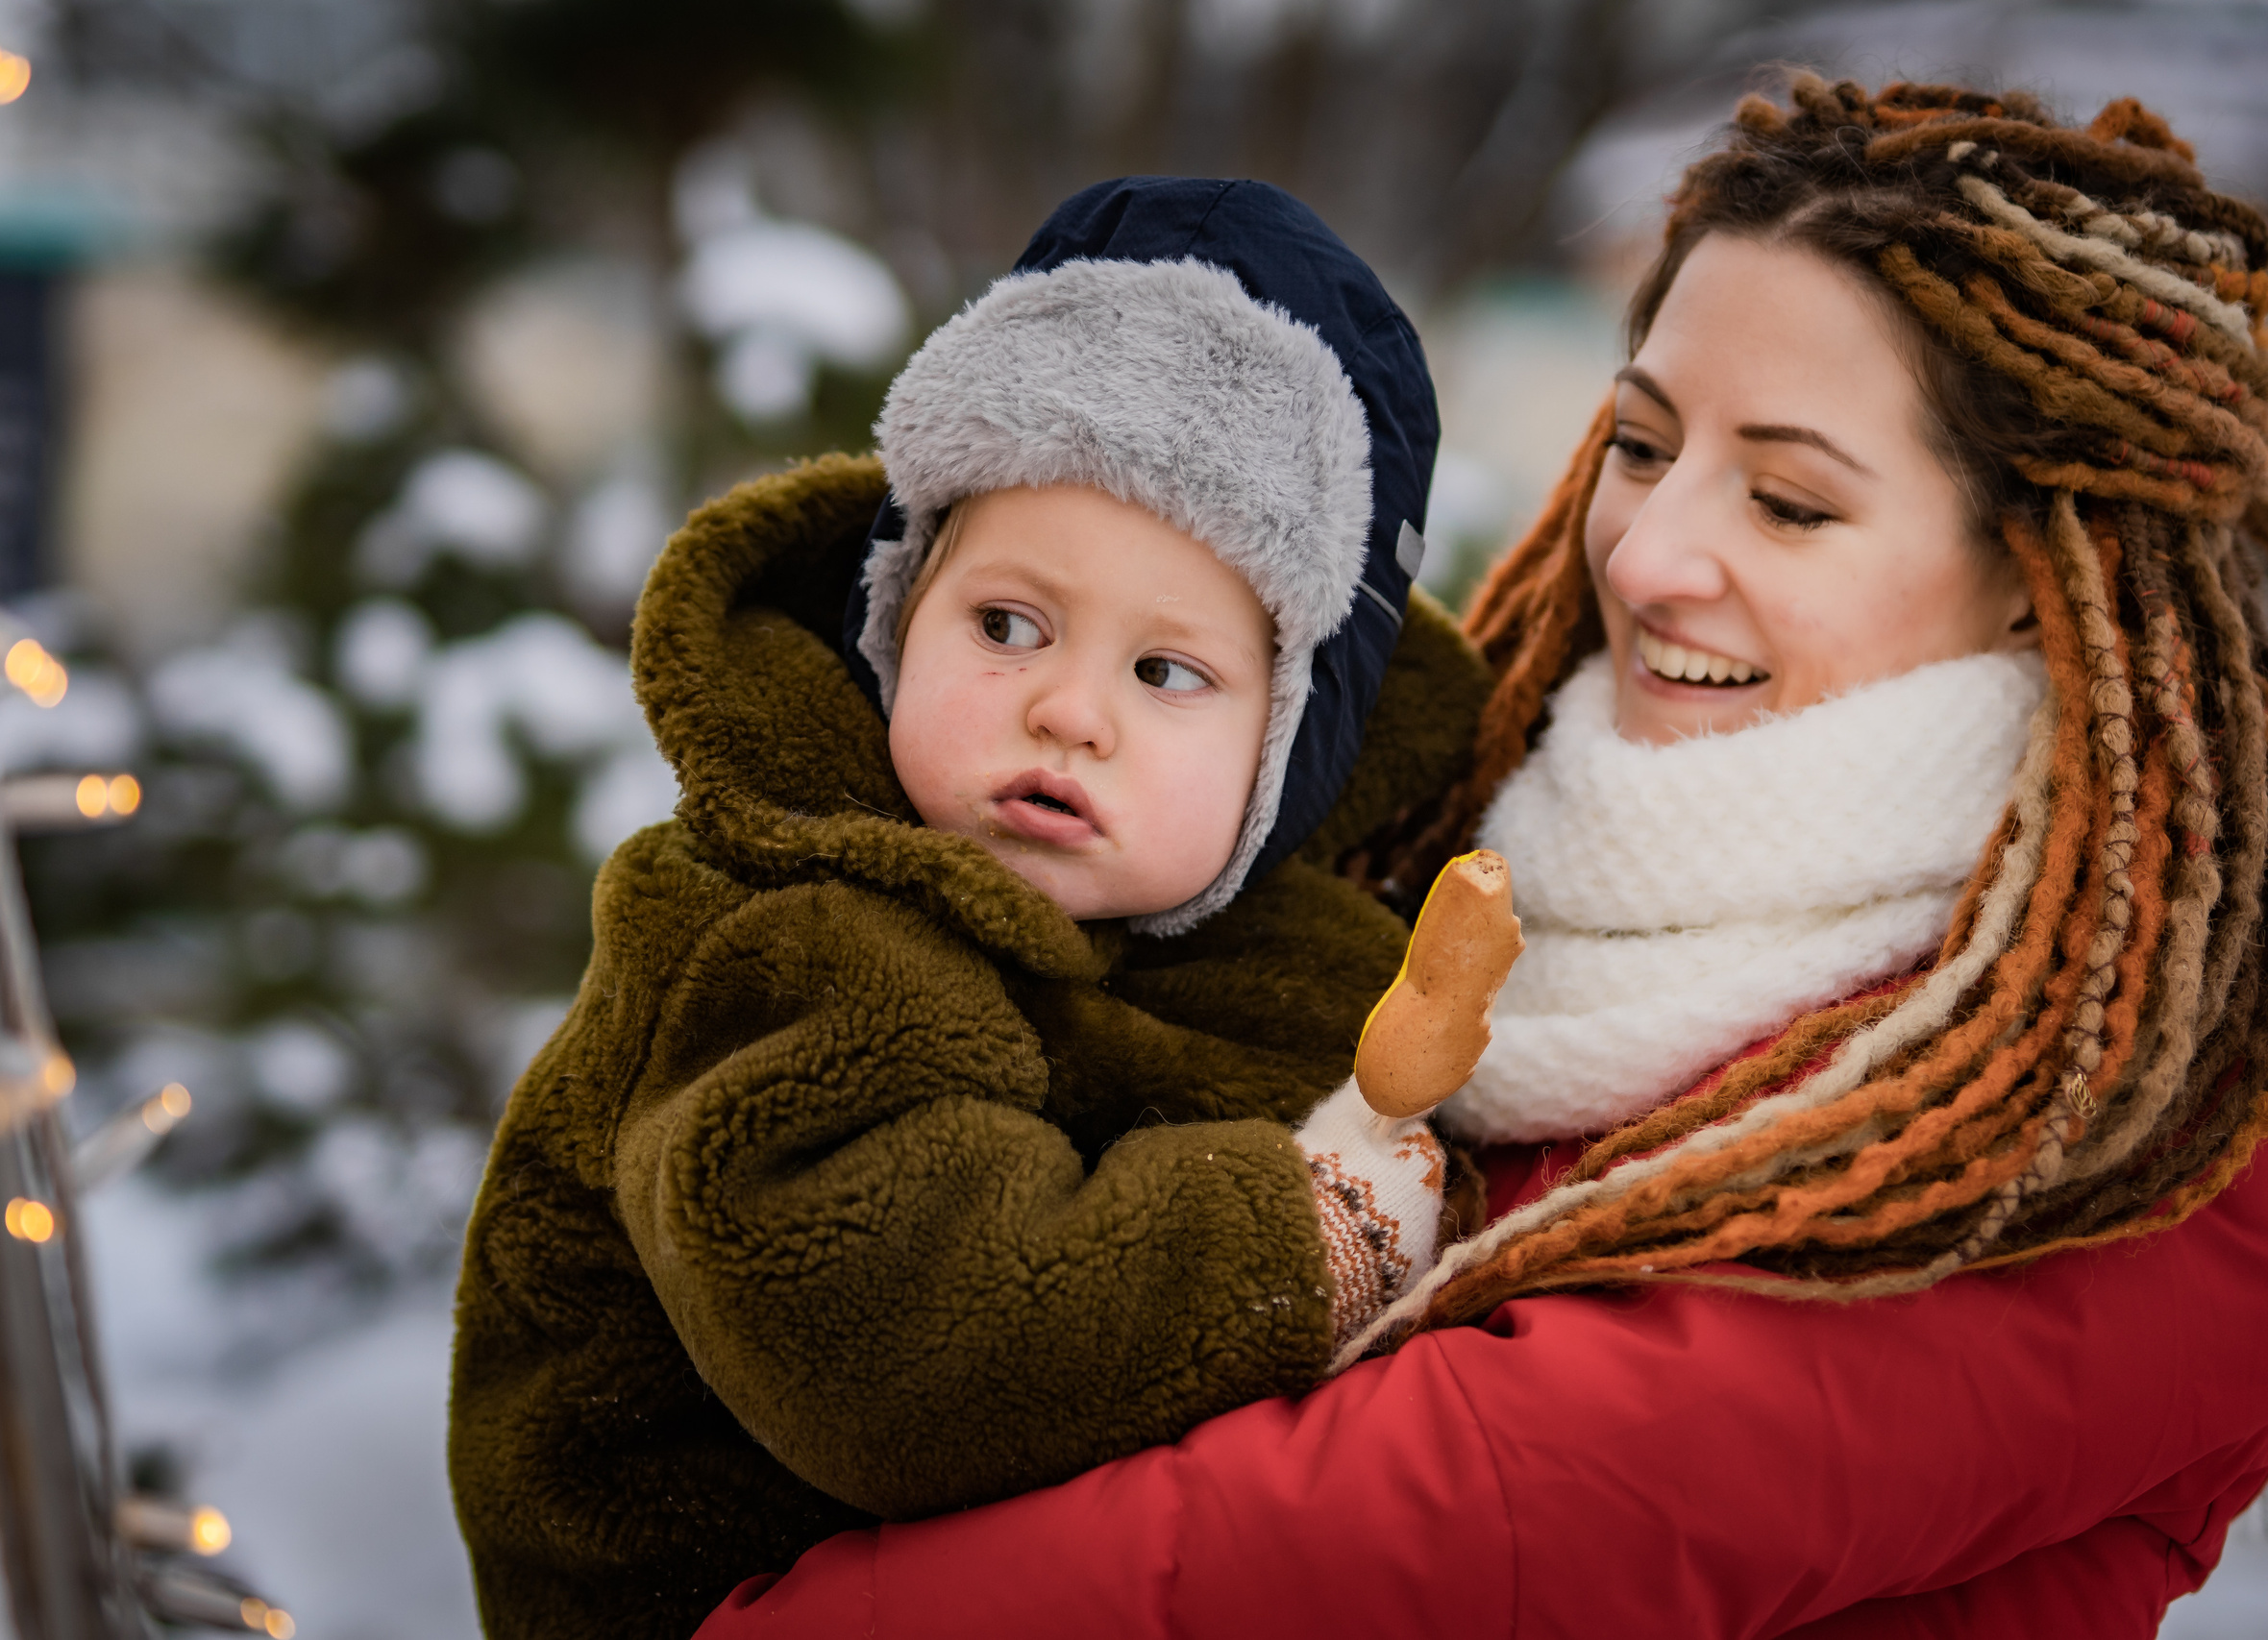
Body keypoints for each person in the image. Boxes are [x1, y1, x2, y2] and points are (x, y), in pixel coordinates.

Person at [698, 79, 2268, 1637]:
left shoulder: (2139, 1129)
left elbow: (1435, 1528)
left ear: (2042, 570)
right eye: (1643, 446)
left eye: (1789, 503)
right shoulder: (1443, 838)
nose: (1646, 558)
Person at [447, 178, 1512, 1640]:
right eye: (1007, 625)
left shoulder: (1270, 947)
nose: (1067, 710)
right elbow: (907, 1351)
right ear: (895, 612)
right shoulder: (790, 923)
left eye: (1167, 673)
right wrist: (1301, 1238)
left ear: (1286, 753)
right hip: (714, 1598)